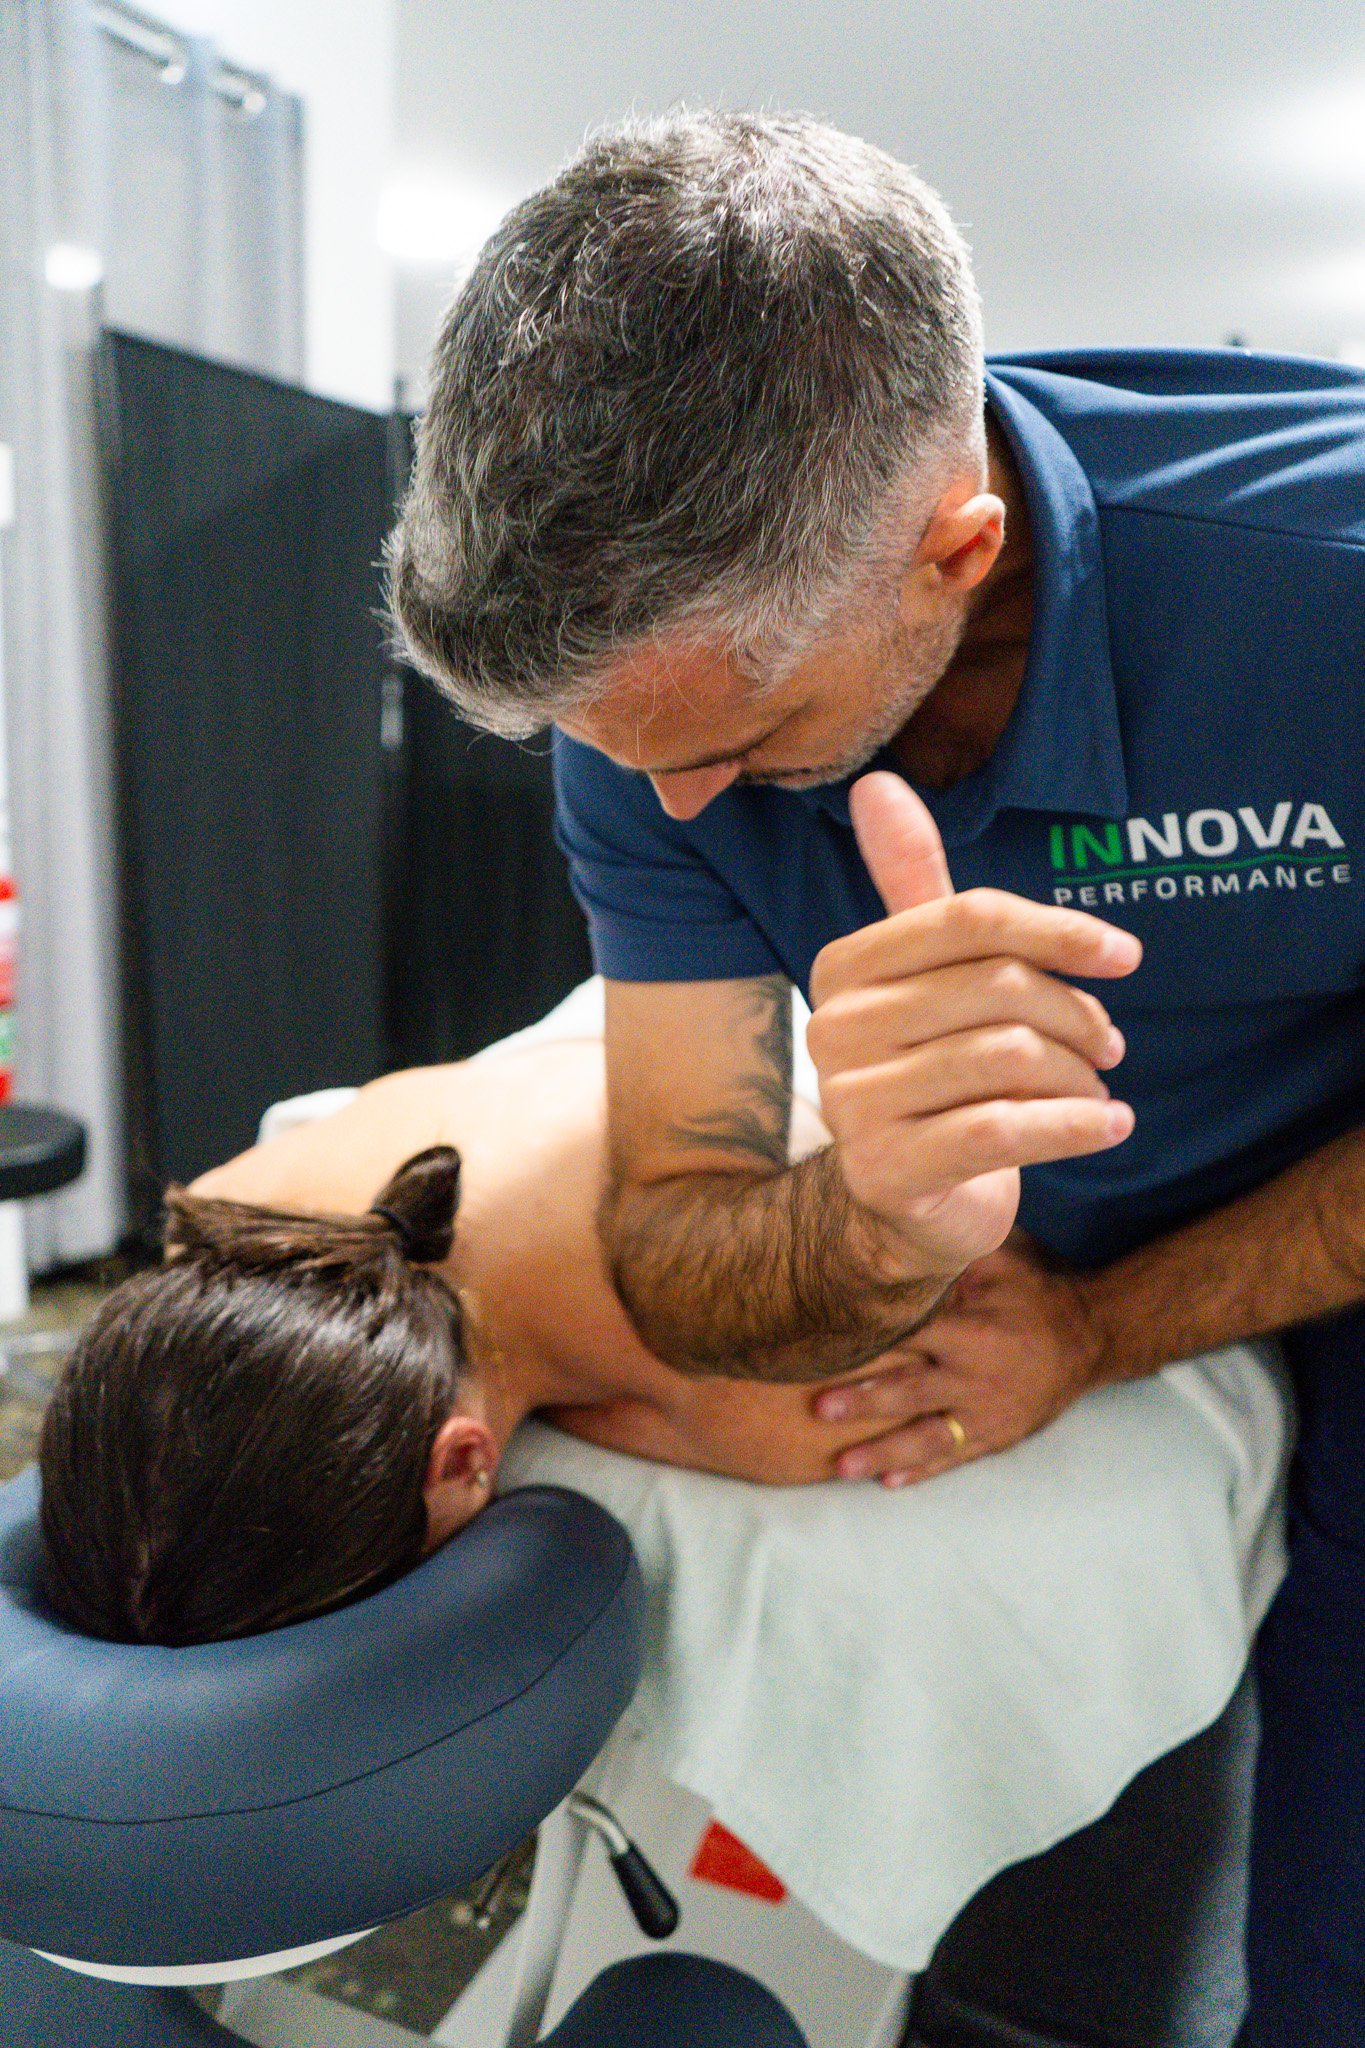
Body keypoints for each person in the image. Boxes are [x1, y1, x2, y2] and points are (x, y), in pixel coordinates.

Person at [388, 110, 1365, 2047]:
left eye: (734, 745)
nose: (660, 806)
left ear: (955, 550)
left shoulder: (1319, 585)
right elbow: (683, 1221)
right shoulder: (652, 698)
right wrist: (869, 1214)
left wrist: (1098, 1326)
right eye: (615, 753)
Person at [37, 1034, 930, 1646]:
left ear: (463, 1460)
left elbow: (945, 1270)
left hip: (785, 1060)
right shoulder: (224, 1215)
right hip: (567, 1072)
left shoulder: (742, 1360)